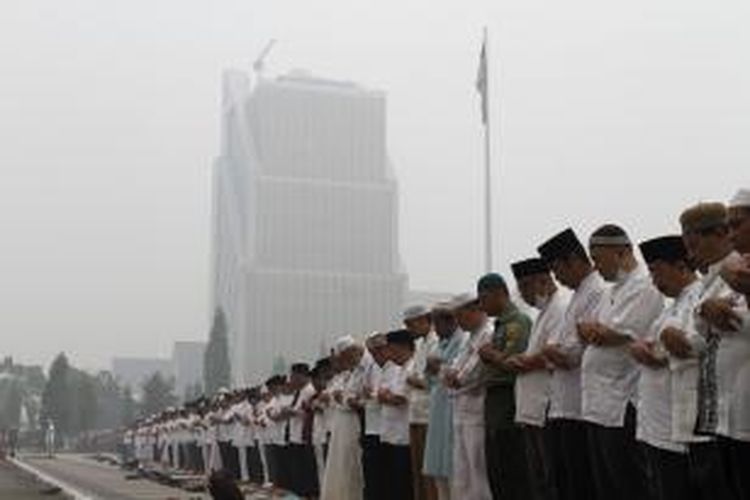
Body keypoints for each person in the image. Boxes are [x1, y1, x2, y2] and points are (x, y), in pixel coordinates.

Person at [578, 224, 663, 500]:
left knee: (628, 484)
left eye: (598, 258)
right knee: (606, 485)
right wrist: (595, 332)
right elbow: (591, 332)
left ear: (621, 251)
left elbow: (611, 334)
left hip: (622, 403)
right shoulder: (612, 290)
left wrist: (596, 331)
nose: (596, 266)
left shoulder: (645, 286)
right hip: (598, 404)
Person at [537, 228, 605, 500]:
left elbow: (575, 351)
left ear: (574, 261)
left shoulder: (597, 292)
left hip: (580, 406)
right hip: (561, 404)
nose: (558, 279)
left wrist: (555, 353)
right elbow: (556, 345)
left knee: (583, 483)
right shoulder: (576, 296)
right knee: (563, 482)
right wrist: (554, 352)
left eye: (558, 270)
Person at [679, 202, 741, 498]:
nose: (691, 255)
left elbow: (729, 321)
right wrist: (705, 310)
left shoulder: (737, 268)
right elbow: (697, 333)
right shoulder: (708, 281)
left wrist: (707, 314)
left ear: (719, 234)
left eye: (694, 244)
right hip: (715, 406)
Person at [509, 257, 567, 500]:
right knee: (538, 478)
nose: (523, 296)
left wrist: (522, 361)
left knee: (551, 476)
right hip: (532, 409)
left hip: (547, 406)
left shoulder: (560, 308)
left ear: (543, 281)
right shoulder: (543, 313)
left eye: (525, 288)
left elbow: (552, 353)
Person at [476, 272, 532, 500]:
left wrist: (491, 356)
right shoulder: (499, 325)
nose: (481, 305)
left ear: (500, 294)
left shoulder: (518, 322)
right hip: (494, 401)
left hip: (508, 399)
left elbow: (514, 361)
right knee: (496, 469)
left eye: (484, 298)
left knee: (511, 466)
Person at [444, 293, 493, 500]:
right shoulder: (469, 338)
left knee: (478, 469)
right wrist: (455, 376)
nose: (457, 322)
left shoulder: (488, 334)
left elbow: (474, 373)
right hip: (461, 410)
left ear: (475, 310)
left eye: (460, 316)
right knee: (462, 470)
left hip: (477, 411)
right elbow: (451, 370)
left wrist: (457, 378)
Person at [423, 303, 467, 500]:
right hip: (438, 408)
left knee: (454, 467)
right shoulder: (438, 345)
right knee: (438, 470)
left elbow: (461, 373)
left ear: (450, 321)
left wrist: (439, 366)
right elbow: (429, 381)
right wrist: (430, 369)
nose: (435, 329)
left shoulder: (463, 341)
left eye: (437, 323)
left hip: (453, 408)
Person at [320, 336, 365, 500]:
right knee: (339, 463)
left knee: (351, 462)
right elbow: (338, 397)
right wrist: (340, 398)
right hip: (340, 423)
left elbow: (357, 398)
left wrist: (343, 399)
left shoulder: (363, 370)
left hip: (353, 423)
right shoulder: (347, 375)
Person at [403, 305, 439, 500]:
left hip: (428, 415)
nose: (409, 329)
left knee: (429, 472)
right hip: (415, 414)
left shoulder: (435, 343)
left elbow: (432, 381)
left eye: (411, 324)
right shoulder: (420, 346)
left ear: (425, 320)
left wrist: (414, 381)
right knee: (417, 471)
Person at [379, 329, 416, 500]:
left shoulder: (412, 366)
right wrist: (386, 396)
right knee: (393, 480)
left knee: (405, 481)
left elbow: (399, 398)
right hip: (393, 433)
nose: (390, 355)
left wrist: (386, 396)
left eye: (392, 350)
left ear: (404, 347)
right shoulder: (398, 369)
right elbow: (384, 394)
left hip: (406, 434)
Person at [362, 332, 388, 500]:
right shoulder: (371, 367)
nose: (376, 354)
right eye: (372, 351)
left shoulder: (393, 366)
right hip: (371, 426)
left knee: (385, 473)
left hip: (386, 429)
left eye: (379, 349)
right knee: (371, 472)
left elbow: (387, 394)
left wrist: (371, 394)